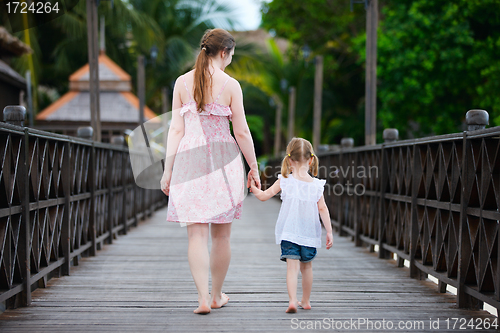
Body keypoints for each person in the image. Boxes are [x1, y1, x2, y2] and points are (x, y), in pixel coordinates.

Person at [160, 28, 261, 314]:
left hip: (189, 160)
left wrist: (168, 170)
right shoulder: (231, 85)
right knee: (222, 236)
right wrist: (253, 167)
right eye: (231, 54)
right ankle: (216, 295)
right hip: (223, 160)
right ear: (223, 53)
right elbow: (241, 131)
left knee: (196, 236)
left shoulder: (181, 83)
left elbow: (176, 129)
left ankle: (202, 298)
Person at [250, 137, 333, 313]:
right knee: (307, 267)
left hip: (289, 233)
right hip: (309, 233)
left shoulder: (284, 180)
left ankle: (293, 301)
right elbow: (323, 209)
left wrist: (253, 188)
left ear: (289, 160)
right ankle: (306, 300)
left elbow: (264, 196)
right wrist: (330, 232)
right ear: (311, 160)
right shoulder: (317, 185)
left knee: (292, 268)